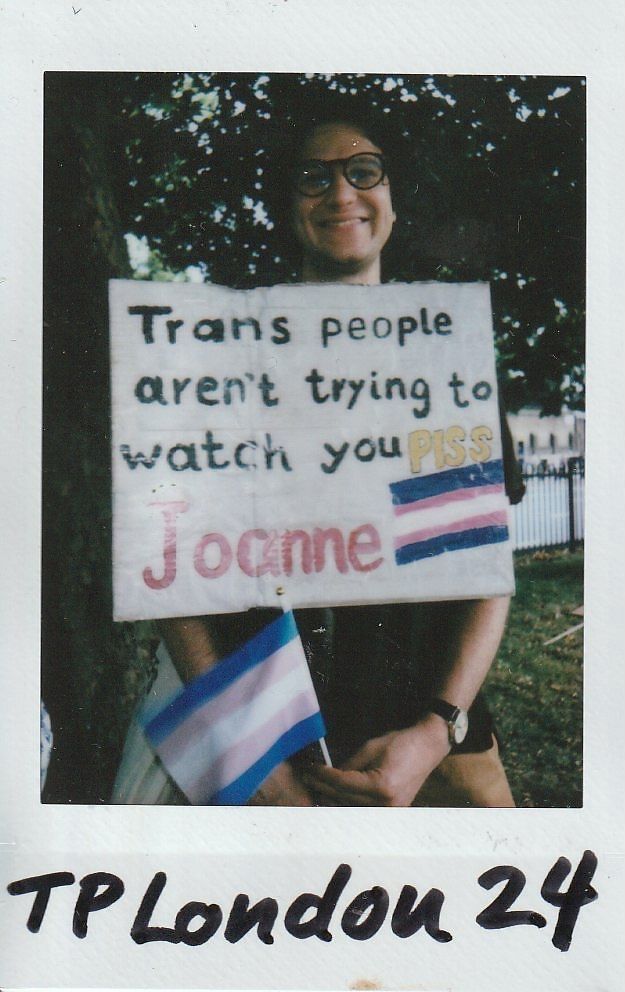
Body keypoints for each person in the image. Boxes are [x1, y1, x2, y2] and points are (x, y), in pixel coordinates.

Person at [112, 113, 523, 808]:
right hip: (247, 721)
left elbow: (487, 570)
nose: (340, 194)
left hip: (420, 734)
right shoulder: (216, 363)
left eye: (364, 171)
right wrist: (245, 757)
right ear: (283, 205)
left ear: (394, 198)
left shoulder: (446, 360)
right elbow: (172, 570)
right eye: (313, 177)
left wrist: (434, 732)